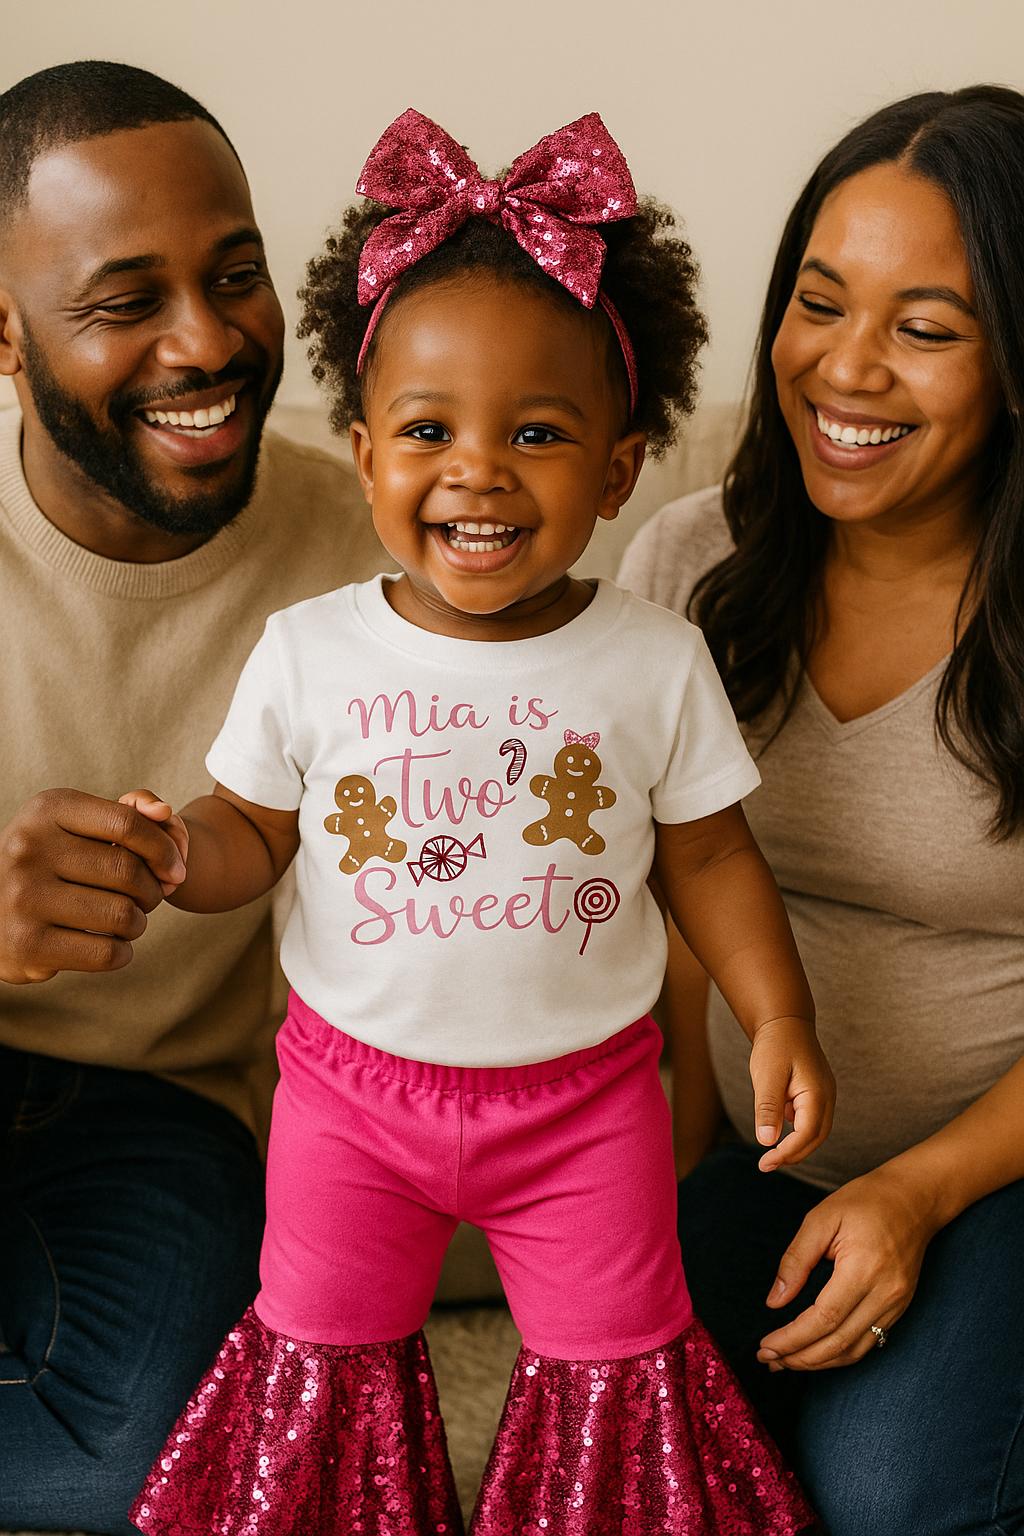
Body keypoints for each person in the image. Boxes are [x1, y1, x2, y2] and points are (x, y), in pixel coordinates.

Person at [122, 110, 834, 1536]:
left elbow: (707, 855)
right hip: (348, 1102)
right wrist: (179, 854)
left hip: (588, 1108)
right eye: (428, 432)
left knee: (618, 1356)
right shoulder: (311, 649)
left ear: (620, 469)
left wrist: (779, 1016)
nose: (479, 470)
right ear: (365, 451)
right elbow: (253, 829)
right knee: (319, 1344)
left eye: (539, 435)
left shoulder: (653, 660)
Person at [619, 85, 1024, 1536]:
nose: (846, 370)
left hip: (996, 1174)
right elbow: (668, 911)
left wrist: (916, 1193)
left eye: (927, 329)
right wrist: (652, 1199)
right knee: (624, 1458)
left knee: (892, 1495)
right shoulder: (689, 563)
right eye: (819, 302)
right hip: (764, 1167)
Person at [0, 61, 390, 1534]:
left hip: (165, 1113)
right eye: (125, 302)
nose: (208, 342)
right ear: (4, 332)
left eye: (234, 276)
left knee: (137, 1462)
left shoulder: (379, 552)